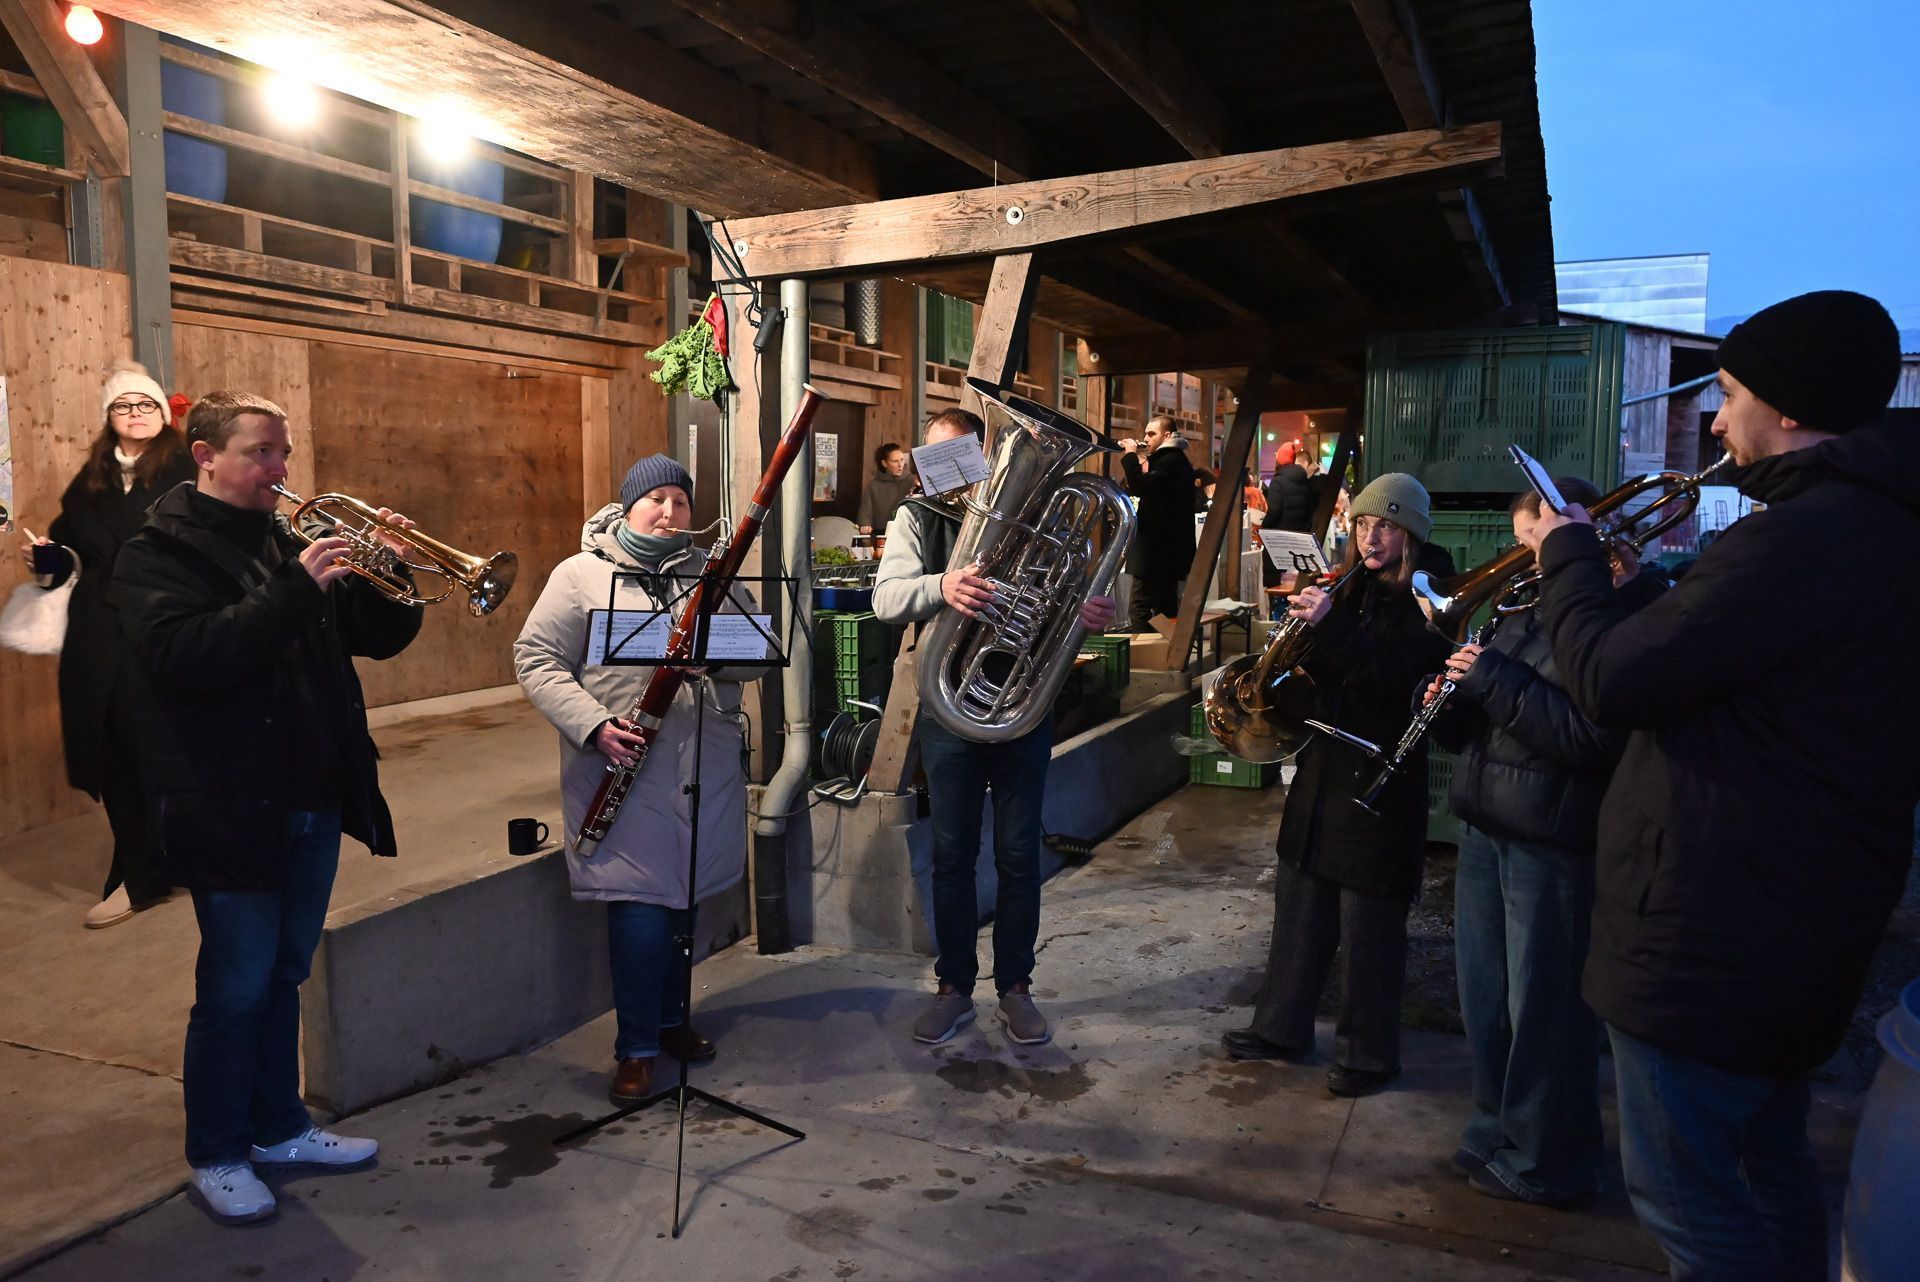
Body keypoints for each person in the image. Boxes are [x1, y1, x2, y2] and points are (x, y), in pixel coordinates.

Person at [1522, 290, 1917, 1282]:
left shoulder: (1800, 536)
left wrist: (1565, 553)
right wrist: (1648, 589)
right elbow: (1751, 654)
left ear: (1786, 410)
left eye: (1730, 392)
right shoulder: (1876, 529)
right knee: (1773, 1170)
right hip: (1796, 934)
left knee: (1691, 1207)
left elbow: (1610, 681)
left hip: (1710, 941)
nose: (1712, 417)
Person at [112, 391, 424, 1224]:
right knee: (235, 985)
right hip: (228, 802)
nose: (281, 470)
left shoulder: (290, 540)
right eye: (261, 453)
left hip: (313, 796)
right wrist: (294, 587)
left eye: (283, 453)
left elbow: (372, 638)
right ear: (205, 454)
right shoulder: (155, 553)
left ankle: (279, 1125)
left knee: (285, 972)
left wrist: (394, 579)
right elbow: (186, 659)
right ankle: (216, 1151)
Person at [1426, 478, 1665, 1208]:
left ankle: (1549, 1157)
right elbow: (1491, 717)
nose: (1524, 561)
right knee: (1488, 1001)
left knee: (1547, 1011)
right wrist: (1445, 705)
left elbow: (1592, 737)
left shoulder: (1631, 608)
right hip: (1487, 822)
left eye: (1534, 543)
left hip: (1555, 837)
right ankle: (1496, 1124)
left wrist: (1491, 678)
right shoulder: (1526, 603)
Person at [514, 454, 764, 1106]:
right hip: (621, 767)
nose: (669, 512)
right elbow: (536, 659)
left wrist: (719, 657)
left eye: (680, 501)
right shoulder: (580, 576)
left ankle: (672, 1023)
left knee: (683, 908)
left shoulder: (711, 575)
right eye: (654, 499)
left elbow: (757, 654)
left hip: (699, 767)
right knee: (640, 913)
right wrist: (593, 725)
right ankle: (636, 1048)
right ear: (626, 506)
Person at [874, 408, 1116, 1048]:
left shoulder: (1037, 519)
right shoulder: (916, 519)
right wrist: (941, 585)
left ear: (986, 455)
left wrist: (1085, 610)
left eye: (959, 452)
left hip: (1020, 703)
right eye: (934, 456)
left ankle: (1016, 987)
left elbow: (1064, 598)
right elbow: (885, 599)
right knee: (951, 858)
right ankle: (954, 987)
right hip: (950, 706)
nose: (946, 466)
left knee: (1018, 857)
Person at [1221, 473, 1453, 1097]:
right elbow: (1332, 677)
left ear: (1411, 534)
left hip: (1379, 779)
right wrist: (1296, 650)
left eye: (1386, 526)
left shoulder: (1431, 593)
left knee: (1369, 927)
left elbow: (1392, 675)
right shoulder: (1349, 585)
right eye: (1362, 525)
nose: (1370, 537)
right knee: (1299, 905)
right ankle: (1281, 1027)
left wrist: (1329, 628)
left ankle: (1369, 1054)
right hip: (1323, 769)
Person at [24, 360, 194, 928]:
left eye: (145, 404)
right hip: (102, 630)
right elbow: (71, 551)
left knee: (176, 743)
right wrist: (50, 560)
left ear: (162, 412)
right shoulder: (91, 479)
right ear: (110, 417)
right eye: (125, 406)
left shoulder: (190, 468)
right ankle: (141, 872)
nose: (136, 414)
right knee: (117, 744)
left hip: (170, 622)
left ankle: (173, 862)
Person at [1117, 415, 1195, 631]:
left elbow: (1139, 487)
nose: (1145, 438)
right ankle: (1163, 653)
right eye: (1145, 433)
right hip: (1166, 551)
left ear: (1167, 435)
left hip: (1155, 551)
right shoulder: (1175, 459)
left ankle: (1144, 656)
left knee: (1139, 608)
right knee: (1164, 608)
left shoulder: (1170, 460)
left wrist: (1131, 456)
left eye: (1152, 434)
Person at [856, 441, 915, 534]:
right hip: (882, 535)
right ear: (884, 463)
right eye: (895, 461)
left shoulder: (912, 481)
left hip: (908, 533)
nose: (900, 465)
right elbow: (865, 513)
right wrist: (865, 525)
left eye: (902, 460)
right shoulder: (874, 486)